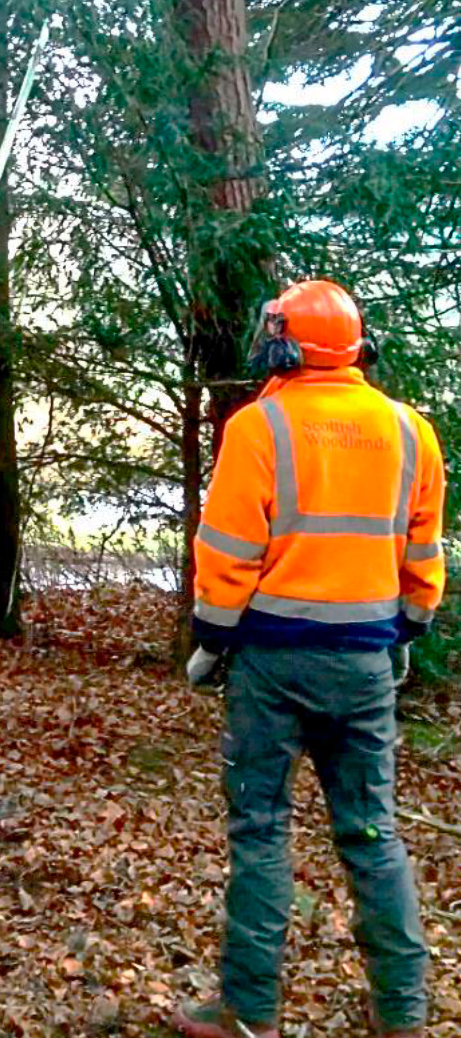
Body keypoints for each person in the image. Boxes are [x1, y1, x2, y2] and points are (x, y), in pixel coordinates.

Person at [172, 280, 447, 1038]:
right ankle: (403, 1014)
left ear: (291, 341)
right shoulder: (409, 430)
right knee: (372, 833)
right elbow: (424, 557)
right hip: (365, 662)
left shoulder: (261, 426)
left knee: (261, 828)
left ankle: (249, 1009)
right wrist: (408, 626)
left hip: (274, 663)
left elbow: (226, 550)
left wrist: (214, 637)